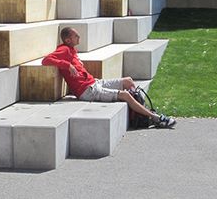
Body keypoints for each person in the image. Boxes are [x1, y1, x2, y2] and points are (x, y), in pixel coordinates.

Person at [42, 27, 176, 128]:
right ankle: (156, 118)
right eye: (76, 36)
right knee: (125, 95)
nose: (79, 37)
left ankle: (144, 112)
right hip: (87, 91)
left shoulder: (72, 50)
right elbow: (46, 60)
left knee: (128, 81)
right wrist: (68, 65)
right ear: (68, 40)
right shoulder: (64, 49)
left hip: (94, 82)